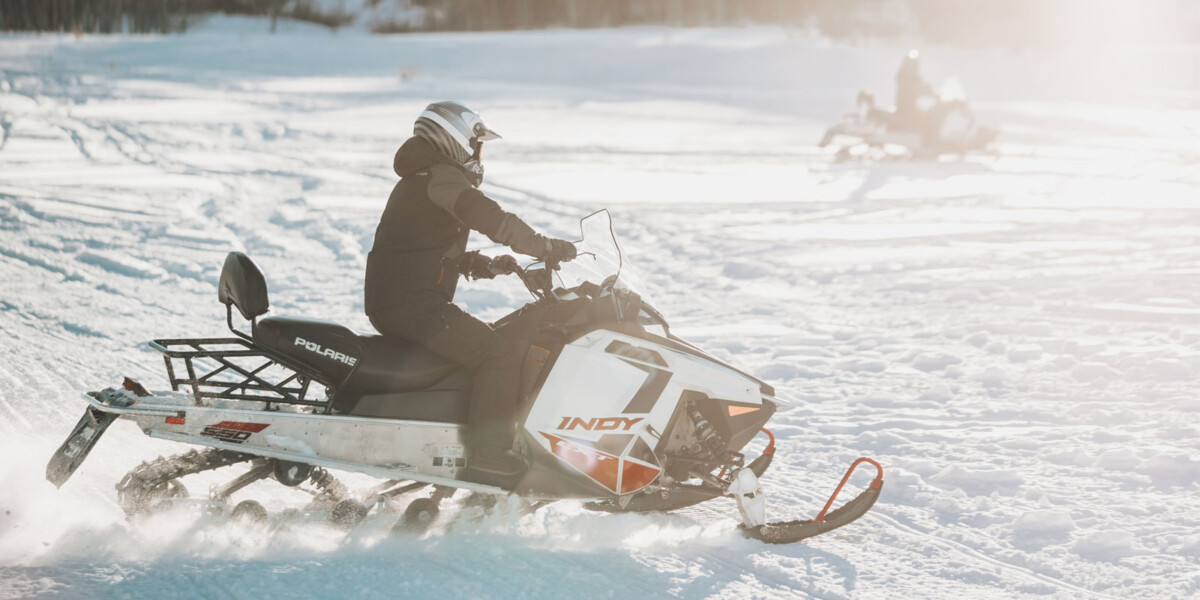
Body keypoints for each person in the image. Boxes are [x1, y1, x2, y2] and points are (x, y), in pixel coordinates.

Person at [364, 101, 576, 478]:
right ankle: (489, 455)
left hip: (401, 300)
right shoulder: (441, 177)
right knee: (498, 353)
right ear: (454, 140)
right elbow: (491, 218)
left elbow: (424, 247)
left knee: (486, 343)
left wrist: (488, 265)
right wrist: (543, 246)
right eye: (477, 145)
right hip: (414, 305)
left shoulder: (422, 177)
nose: (479, 155)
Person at [894, 49, 933, 131]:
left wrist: (930, 90)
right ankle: (926, 141)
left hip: (910, 109)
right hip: (905, 111)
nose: (912, 66)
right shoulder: (904, 77)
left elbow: (919, 87)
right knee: (927, 119)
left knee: (928, 115)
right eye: (911, 64)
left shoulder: (913, 77)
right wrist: (928, 91)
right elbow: (913, 88)